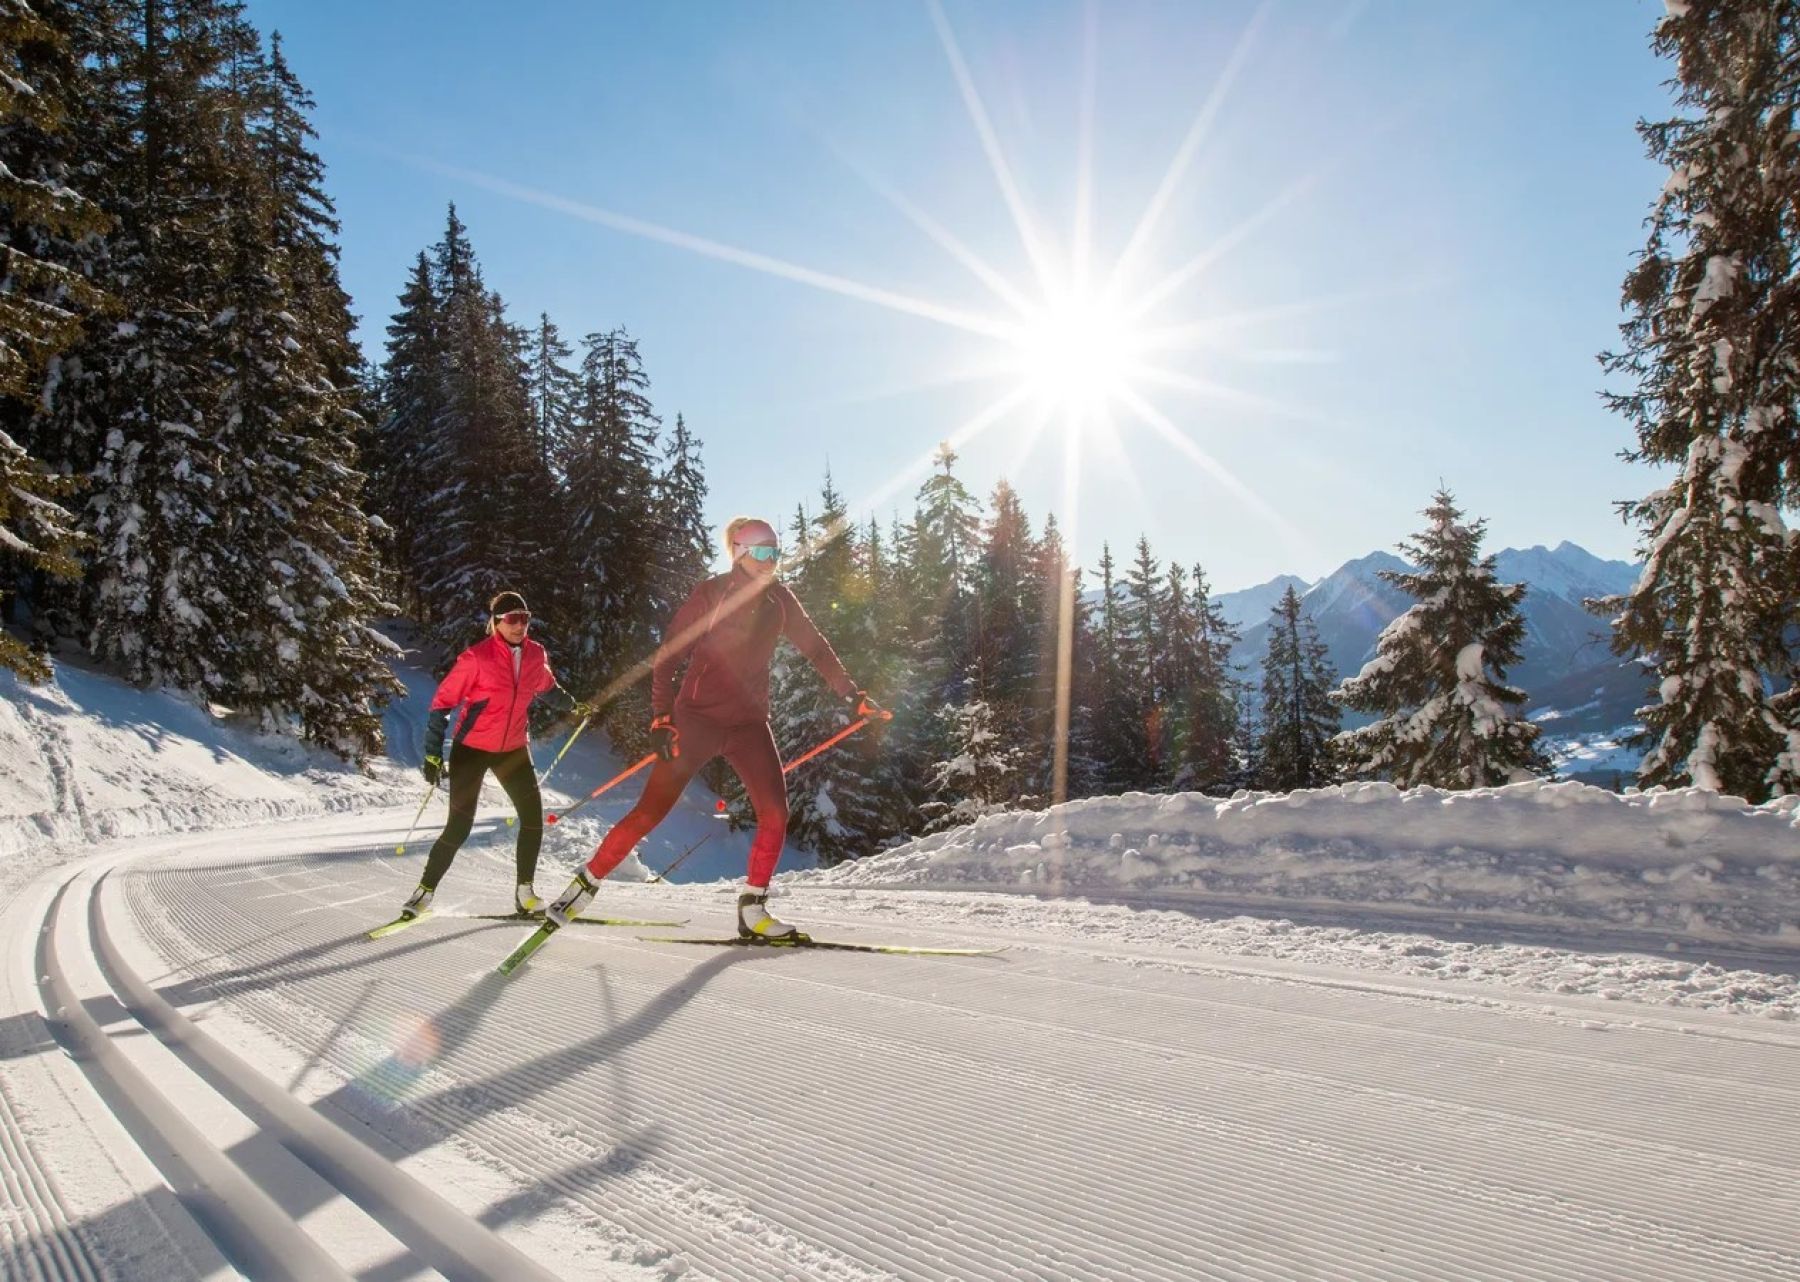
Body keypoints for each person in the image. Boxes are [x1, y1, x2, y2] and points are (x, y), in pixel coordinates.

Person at [544, 517, 882, 940]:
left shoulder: (780, 599)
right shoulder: (711, 593)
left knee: (776, 812)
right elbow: (668, 656)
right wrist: (662, 718)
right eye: (762, 552)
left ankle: (753, 909)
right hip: (698, 719)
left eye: (775, 552)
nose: (770, 560)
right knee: (651, 811)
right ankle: (585, 883)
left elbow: (816, 648)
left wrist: (853, 696)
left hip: (749, 724)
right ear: (740, 552)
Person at [397, 591, 591, 920]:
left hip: (512, 749)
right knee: (459, 827)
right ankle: (423, 892)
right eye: (512, 619)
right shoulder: (477, 658)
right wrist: (432, 753)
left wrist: (574, 707)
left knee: (532, 818)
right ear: (496, 622)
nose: (519, 625)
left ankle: (525, 894)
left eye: (524, 618)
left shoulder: (535, 655)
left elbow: (546, 687)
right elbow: (442, 703)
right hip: (471, 749)